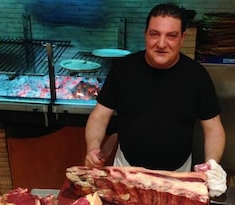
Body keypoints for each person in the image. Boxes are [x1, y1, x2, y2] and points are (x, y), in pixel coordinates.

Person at [85, 2, 226, 175]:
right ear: (145, 35)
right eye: (154, 34)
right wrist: (93, 147)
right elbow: (99, 116)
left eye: (171, 36)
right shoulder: (123, 69)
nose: (161, 44)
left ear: (182, 38)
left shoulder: (197, 75)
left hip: (177, 173)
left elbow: (213, 127)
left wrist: (211, 164)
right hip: (126, 169)